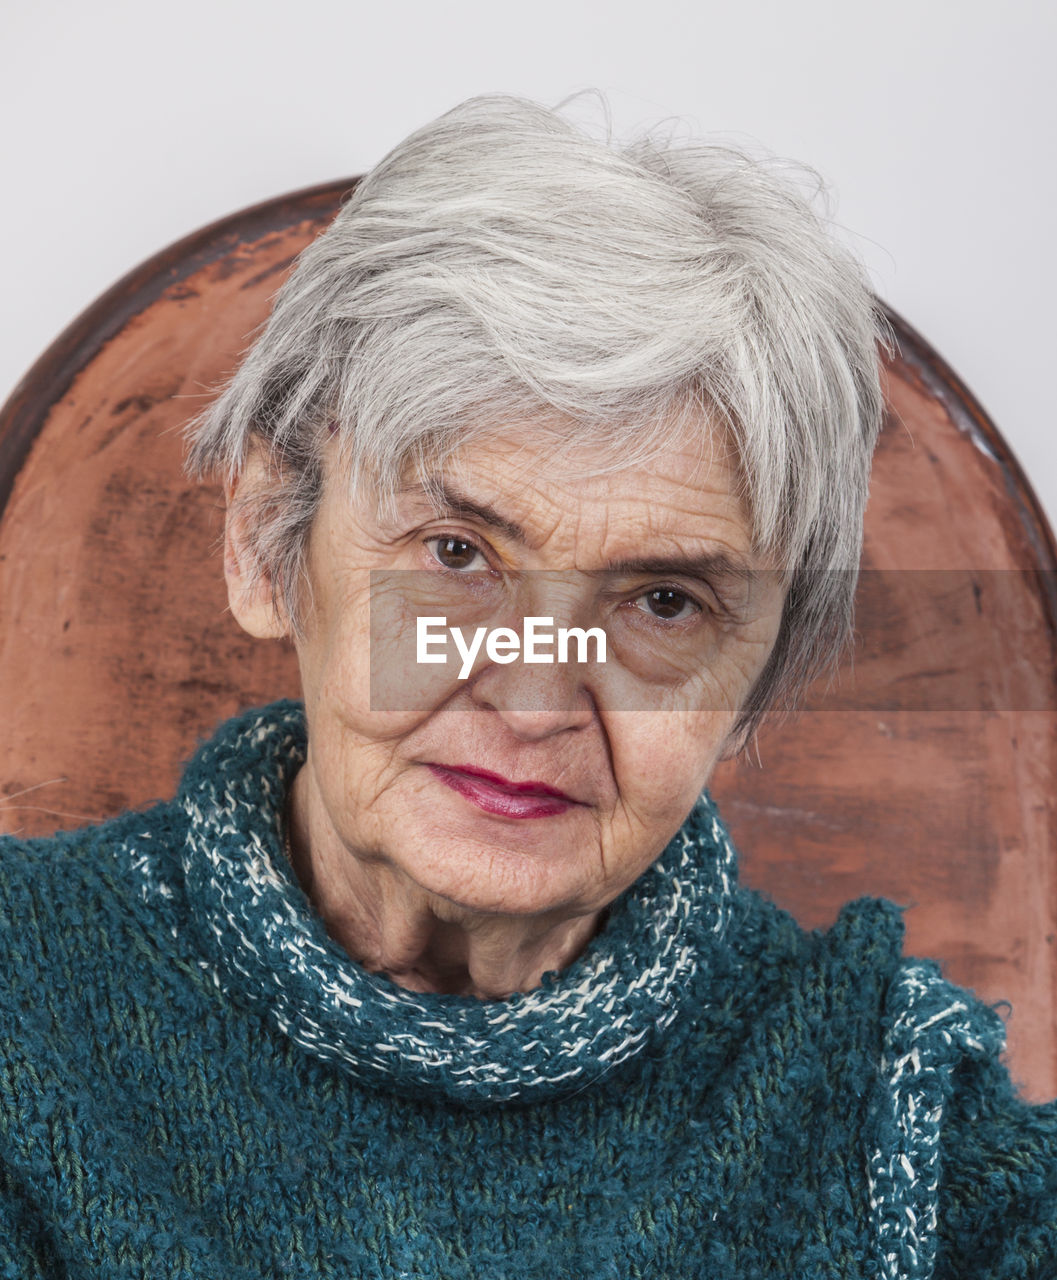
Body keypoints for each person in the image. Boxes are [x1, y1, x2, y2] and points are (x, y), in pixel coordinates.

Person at [1, 95, 1054, 1279]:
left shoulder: (895, 1107)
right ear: (263, 542)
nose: (536, 699)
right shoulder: (18, 1000)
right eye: (457, 555)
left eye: (662, 601)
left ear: (760, 667)